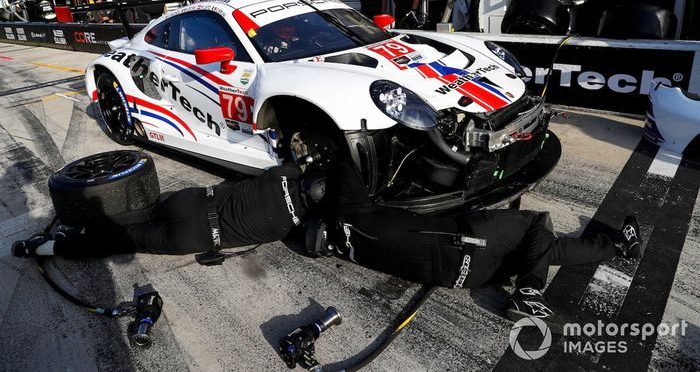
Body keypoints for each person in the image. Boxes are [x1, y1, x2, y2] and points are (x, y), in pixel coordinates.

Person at [313, 159, 644, 331]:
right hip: (467, 242)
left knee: (541, 248)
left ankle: (618, 244)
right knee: (536, 223)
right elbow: (345, 155)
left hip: (466, 274)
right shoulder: (353, 215)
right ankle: (530, 291)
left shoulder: (348, 247)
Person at [12, 164, 312, 259]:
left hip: (194, 201)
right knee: (122, 241)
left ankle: (79, 229)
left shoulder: (282, 175)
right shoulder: (287, 228)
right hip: (197, 236)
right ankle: (45, 249)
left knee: (131, 215)